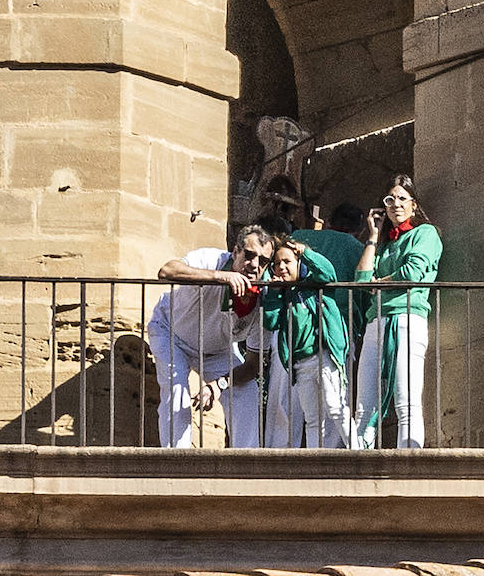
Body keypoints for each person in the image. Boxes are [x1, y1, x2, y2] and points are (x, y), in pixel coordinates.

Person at [148, 225, 274, 448]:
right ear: (235, 252)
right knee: (176, 390)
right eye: (249, 255)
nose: (254, 265)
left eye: (263, 261)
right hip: (172, 332)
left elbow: (253, 365)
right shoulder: (211, 259)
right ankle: (176, 463)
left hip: (218, 349)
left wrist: (219, 384)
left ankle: (247, 466)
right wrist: (219, 276)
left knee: (246, 393)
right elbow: (167, 270)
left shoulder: (263, 300)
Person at [352, 175, 443, 449]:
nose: (395, 204)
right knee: (364, 406)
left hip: (407, 319)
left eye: (402, 199)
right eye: (390, 200)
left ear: (413, 205)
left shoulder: (425, 234)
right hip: (375, 322)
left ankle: (410, 463)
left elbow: (412, 272)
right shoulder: (384, 245)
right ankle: (358, 462)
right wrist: (373, 236)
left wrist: (379, 285)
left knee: (407, 402)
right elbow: (360, 281)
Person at [261, 239, 351, 448]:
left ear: (300, 264)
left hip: (323, 357)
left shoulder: (314, 286)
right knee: (311, 418)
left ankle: (359, 452)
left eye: (287, 262)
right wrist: (273, 293)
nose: (281, 267)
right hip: (300, 364)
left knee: (335, 407)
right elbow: (271, 321)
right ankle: (315, 460)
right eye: (277, 263)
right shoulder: (284, 296)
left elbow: (328, 272)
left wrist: (306, 253)